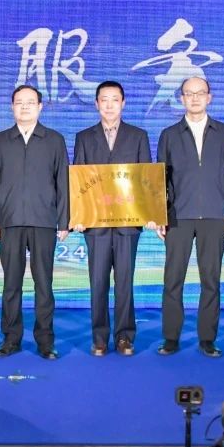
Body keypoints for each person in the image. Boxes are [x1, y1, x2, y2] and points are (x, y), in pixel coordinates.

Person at [0, 84, 69, 360]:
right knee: (11, 284)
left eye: (30, 102)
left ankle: (45, 341)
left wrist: (64, 221)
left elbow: (63, 183)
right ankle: (11, 339)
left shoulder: (54, 140)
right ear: (12, 107)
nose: (25, 107)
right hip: (9, 222)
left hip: (44, 220)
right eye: (19, 102)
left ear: (40, 107)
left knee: (44, 284)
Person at [156, 76, 224, 358]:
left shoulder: (223, 132)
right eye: (189, 94)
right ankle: (171, 338)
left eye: (200, 93)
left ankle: (207, 339)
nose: (194, 98)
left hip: (214, 215)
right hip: (178, 216)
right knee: (173, 279)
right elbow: (160, 179)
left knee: (211, 281)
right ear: (181, 99)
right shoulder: (169, 134)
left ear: (209, 97)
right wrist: (159, 213)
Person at [72, 80, 152, 356]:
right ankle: (99, 337)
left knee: (125, 282)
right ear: (96, 104)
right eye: (104, 100)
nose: (109, 105)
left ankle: (125, 336)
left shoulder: (138, 136)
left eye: (114, 99)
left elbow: (145, 180)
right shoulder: (84, 137)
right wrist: (78, 215)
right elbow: (79, 180)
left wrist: (150, 213)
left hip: (128, 222)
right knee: (98, 282)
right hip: (95, 223)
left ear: (123, 103)